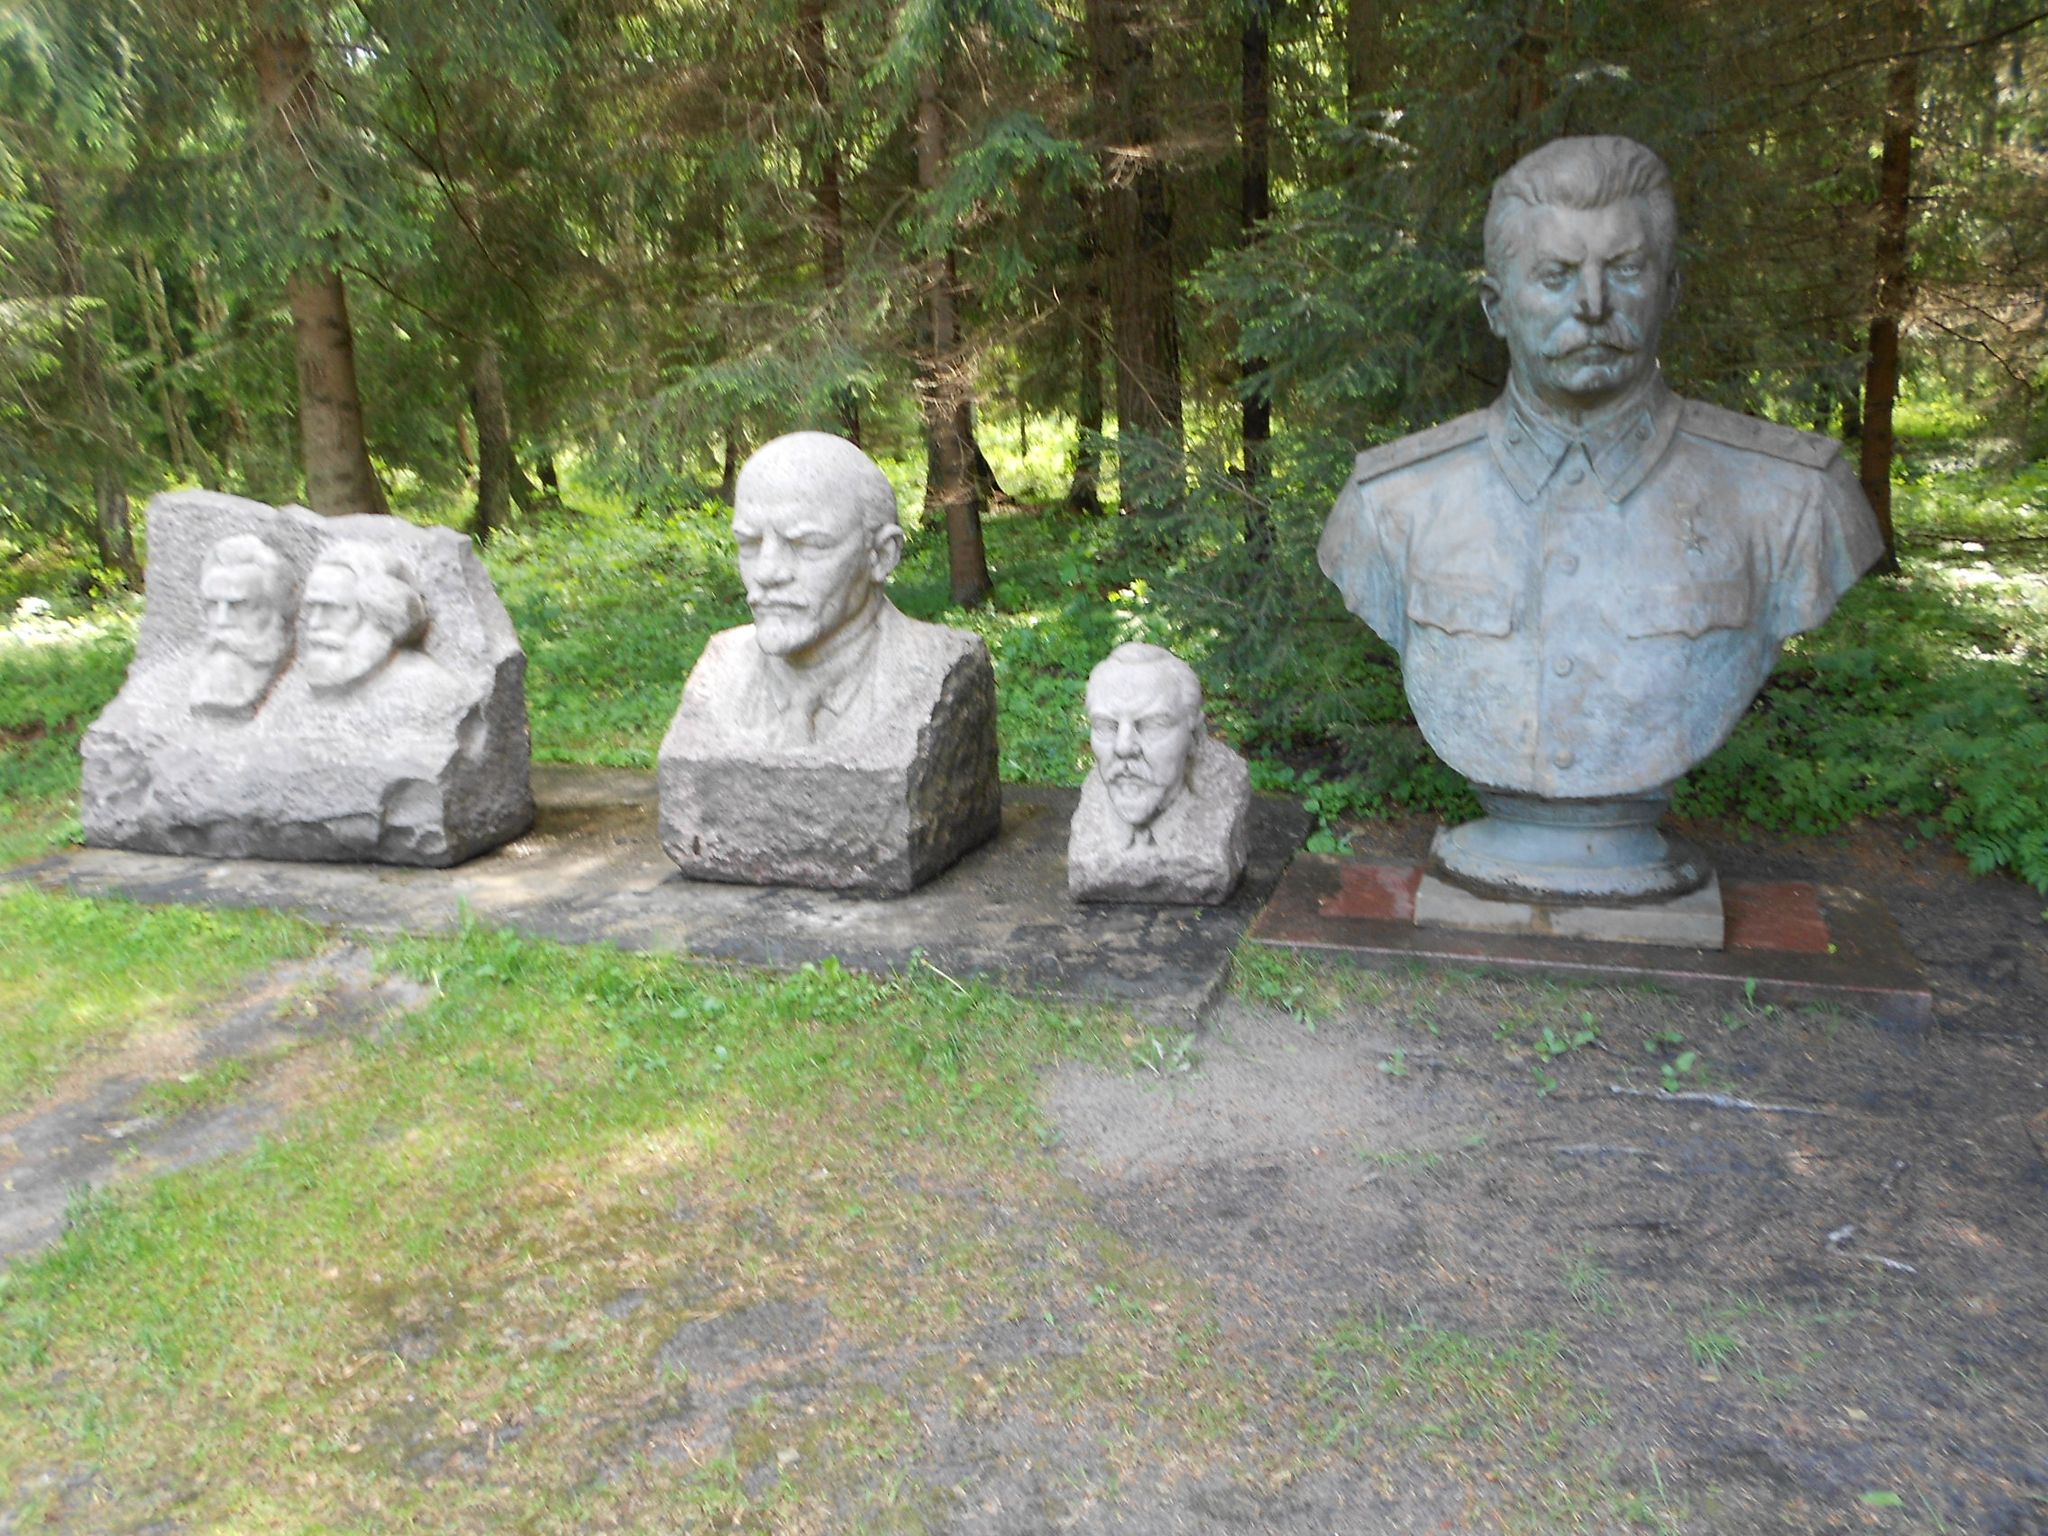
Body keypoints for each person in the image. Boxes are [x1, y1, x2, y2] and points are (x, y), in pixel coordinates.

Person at [1317, 135, 1882, 902]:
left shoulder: (1792, 499)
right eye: (1555, 277)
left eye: (1624, 271)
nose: (1592, 305)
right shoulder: (1390, 504)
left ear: (1671, 291)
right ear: (1496, 306)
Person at [658, 432, 1001, 892]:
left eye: (807, 545)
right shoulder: (721, 670)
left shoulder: (936, 673)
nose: (768, 572)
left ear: (881, 555)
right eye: (750, 543)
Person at [1069, 643, 1249, 903]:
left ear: (1196, 737)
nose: (1123, 747)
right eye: (1107, 726)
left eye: (1152, 725)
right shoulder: (1093, 823)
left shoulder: (1220, 794)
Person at [189, 534, 294, 719]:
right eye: (213, 605)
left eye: (239, 605)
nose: (222, 621)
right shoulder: (155, 688)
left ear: (275, 611)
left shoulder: (297, 693)